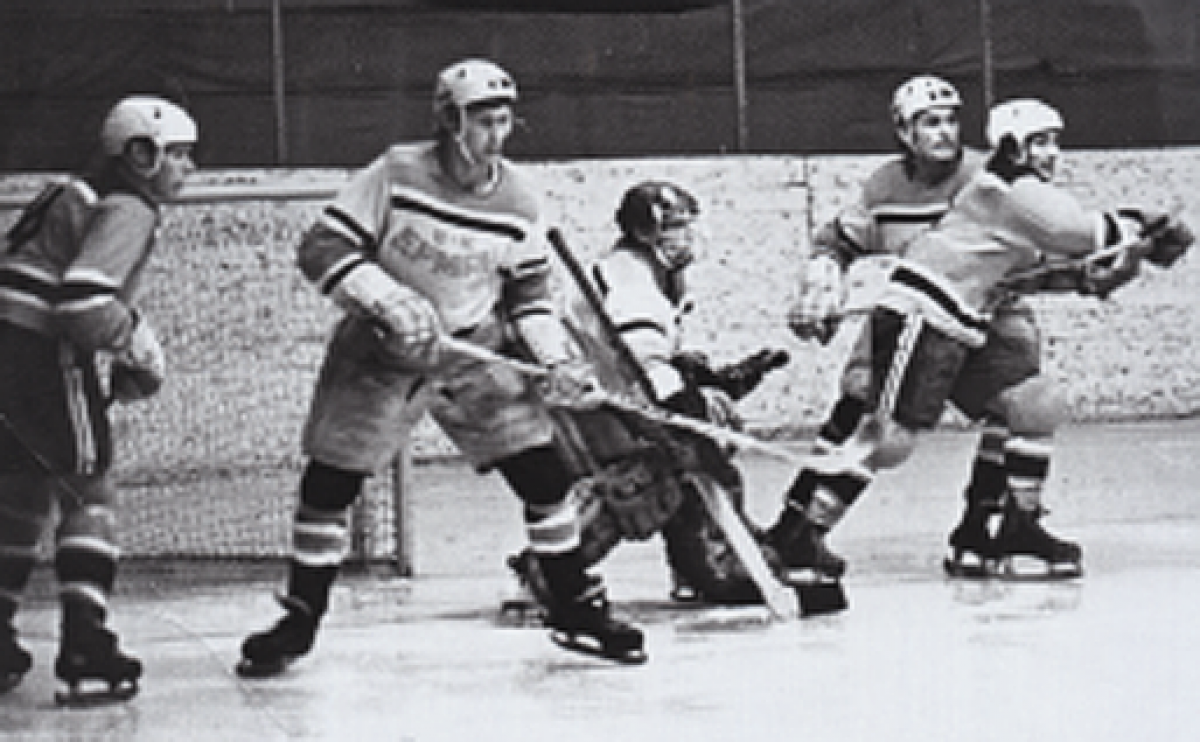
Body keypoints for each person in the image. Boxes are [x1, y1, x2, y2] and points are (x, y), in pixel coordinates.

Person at [236, 59, 648, 673]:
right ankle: (300, 619)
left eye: (504, 121)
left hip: (470, 349)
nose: (496, 135)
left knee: (545, 477)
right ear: (450, 119)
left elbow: (529, 295)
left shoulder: (520, 200)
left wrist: (557, 360)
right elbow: (323, 248)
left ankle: (573, 605)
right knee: (330, 484)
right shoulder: (396, 173)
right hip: (381, 348)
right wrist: (387, 299)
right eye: (483, 121)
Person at [771, 96, 1192, 583]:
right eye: (1040, 142)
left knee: (1035, 405)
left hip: (977, 320)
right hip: (925, 316)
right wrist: (1146, 225)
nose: (1054, 153)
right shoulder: (1000, 189)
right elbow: (1077, 233)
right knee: (884, 431)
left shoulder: (999, 181)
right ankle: (799, 531)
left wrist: (1115, 263)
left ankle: (1004, 528)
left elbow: (1049, 266)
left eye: (952, 119)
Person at [505, 181, 790, 614]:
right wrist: (696, 414)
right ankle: (550, 570)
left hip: (605, 401)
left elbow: (660, 368)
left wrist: (710, 384)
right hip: (583, 409)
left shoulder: (652, 272)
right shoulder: (632, 280)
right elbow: (648, 366)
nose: (687, 235)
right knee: (657, 475)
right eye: (675, 226)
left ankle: (702, 563)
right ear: (645, 233)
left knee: (694, 447)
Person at [0, 96, 198, 701]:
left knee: (20, 492)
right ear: (140, 155)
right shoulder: (129, 206)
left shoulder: (66, 192)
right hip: (40, 358)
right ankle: (86, 642)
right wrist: (134, 339)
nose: (189, 168)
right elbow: (83, 304)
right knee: (91, 492)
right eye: (178, 155)